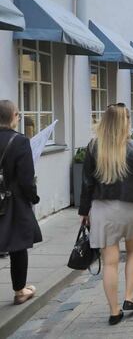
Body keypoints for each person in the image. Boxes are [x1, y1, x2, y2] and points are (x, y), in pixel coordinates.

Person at [80, 104, 133, 325]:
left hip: (102, 209)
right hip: (131, 208)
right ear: (126, 122)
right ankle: (129, 297)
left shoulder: (94, 148)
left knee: (110, 262)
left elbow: (86, 183)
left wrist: (84, 212)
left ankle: (114, 311)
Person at [0, 100, 42, 306]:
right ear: (14, 116)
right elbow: (27, 178)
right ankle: (20, 291)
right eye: (18, 115)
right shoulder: (20, 142)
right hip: (13, 202)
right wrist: (33, 197)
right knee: (18, 246)